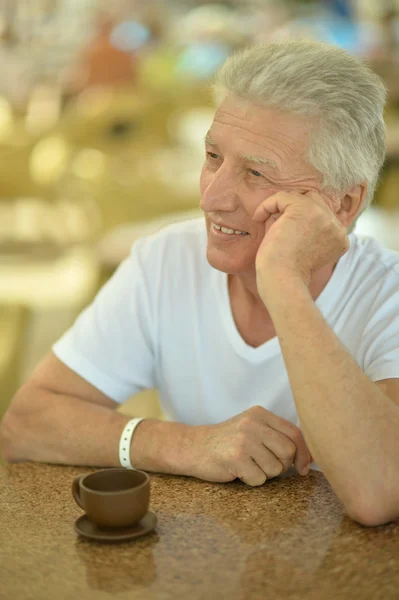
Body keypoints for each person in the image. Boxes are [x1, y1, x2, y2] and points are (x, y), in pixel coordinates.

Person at [2, 41, 399, 527]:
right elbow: (25, 425)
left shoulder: (389, 295)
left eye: (256, 173)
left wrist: (282, 280)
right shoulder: (166, 259)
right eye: (213, 156)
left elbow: (379, 490)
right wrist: (189, 445)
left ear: (341, 204)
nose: (212, 198)